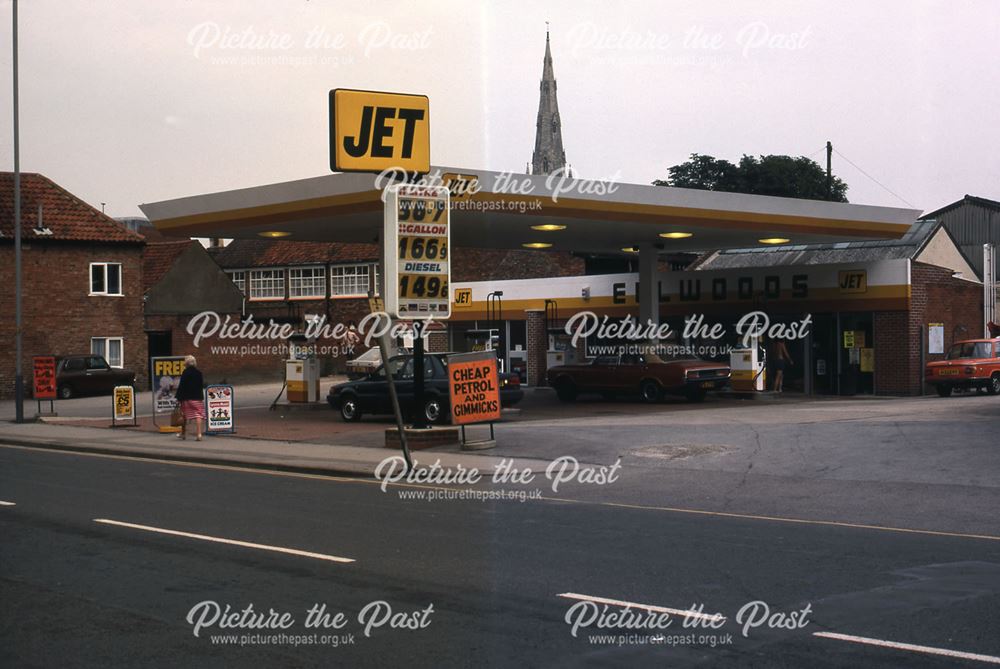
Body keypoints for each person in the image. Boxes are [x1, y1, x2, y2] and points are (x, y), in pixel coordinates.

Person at [174, 355, 205, 441]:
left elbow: (182, 386)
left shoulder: (185, 372)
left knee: (184, 415)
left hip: (186, 398)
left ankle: (183, 434)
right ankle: (199, 434)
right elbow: (201, 385)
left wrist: (178, 397)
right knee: (198, 415)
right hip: (197, 397)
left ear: (186, 363)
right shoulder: (199, 373)